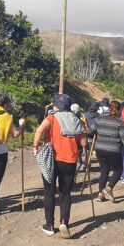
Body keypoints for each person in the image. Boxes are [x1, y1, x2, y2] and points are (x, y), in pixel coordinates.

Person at [32, 94, 87, 238]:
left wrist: (35, 146)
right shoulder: (76, 119)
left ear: (56, 105)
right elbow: (83, 143)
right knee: (65, 192)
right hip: (70, 160)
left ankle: (49, 225)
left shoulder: (51, 118)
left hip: (52, 159)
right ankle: (64, 222)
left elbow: (39, 130)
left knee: (49, 191)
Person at [91, 100, 124, 202]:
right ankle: (109, 188)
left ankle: (100, 195)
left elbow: (91, 130)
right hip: (113, 150)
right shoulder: (120, 122)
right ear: (118, 110)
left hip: (100, 148)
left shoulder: (99, 118)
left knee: (104, 170)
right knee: (118, 170)